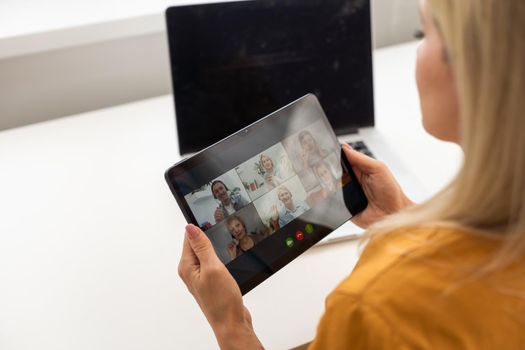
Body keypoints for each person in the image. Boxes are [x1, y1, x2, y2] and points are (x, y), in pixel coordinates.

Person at [177, 0, 525, 348]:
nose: (416, 52)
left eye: (425, 33)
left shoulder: (374, 308)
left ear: (474, 69)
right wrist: (403, 217)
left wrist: (231, 324)